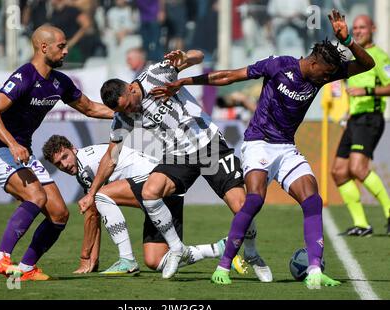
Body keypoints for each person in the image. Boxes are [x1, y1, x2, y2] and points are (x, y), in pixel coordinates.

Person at [151, 10, 375, 289]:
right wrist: (186, 82)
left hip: (285, 148)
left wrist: (349, 40)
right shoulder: (279, 65)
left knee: (312, 199)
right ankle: (223, 265)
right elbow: (230, 76)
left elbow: (368, 65)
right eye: (326, 73)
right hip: (258, 143)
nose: (328, 78)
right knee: (255, 199)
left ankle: (316, 270)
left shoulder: (324, 73)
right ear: (315, 62)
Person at [81, 49, 272, 281]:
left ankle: (251, 253)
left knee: (242, 207)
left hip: (208, 144)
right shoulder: (123, 117)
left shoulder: (155, 74)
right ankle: (177, 248)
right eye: (122, 111)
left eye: (128, 105)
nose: (129, 112)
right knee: (151, 192)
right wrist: (92, 193)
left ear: (131, 88)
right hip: (178, 155)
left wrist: (186, 58)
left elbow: (199, 56)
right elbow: (111, 156)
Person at [0, 25, 114, 281]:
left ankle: (26, 268)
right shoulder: (25, 76)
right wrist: (12, 143)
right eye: (61, 46)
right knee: (35, 196)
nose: (66, 51)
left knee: (59, 214)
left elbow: (90, 108)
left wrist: (126, 113)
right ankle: (0, 259)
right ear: (44, 47)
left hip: (21, 152)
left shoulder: (59, 81)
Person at [42, 134, 269, 278]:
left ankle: (127, 260)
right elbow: (95, 213)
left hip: (157, 182)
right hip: (164, 196)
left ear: (73, 148)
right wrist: (94, 260)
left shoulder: (86, 162)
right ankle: (223, 247)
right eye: (58, 163)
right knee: (155, 261)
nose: (64, 165)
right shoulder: (83, 168)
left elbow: (92, 212)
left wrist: (85, 258)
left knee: (100, 195)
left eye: (65, 156)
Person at [331, 14, 390, 237]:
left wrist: (366, 92)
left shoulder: (379, 57)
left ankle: (389, 210)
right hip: (355, 119)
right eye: (355, 28)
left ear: (373, 28)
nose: (357, 31)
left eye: (362, 27)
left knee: (357, 168)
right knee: (338, 172)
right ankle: (362, 224)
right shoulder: (355, 57)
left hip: (370, 118)